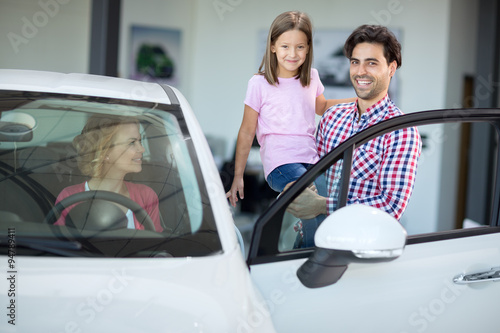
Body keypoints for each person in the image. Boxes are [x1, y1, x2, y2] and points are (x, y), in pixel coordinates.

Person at [286, 24, 422, 247]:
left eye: (372, 63)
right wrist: (295, 186)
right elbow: (312, 173)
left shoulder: (401, 130)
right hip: (307, 240)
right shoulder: (332, 117)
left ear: (391, 68)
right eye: (355, 62)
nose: (360, 72)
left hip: (356, 249)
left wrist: (322, 205)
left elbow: (390, 207)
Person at [226, 11, 355, 208]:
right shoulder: (258, 83)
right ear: (273, 46)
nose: (293, 54)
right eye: (285, 46)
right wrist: (238, 176)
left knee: (328, 203)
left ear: (308, 48)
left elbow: (321, 107)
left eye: (300, 47)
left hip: (311, 160)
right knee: (310, 196)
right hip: (280, 164)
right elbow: (246, 131)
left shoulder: (312, 77)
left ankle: (301, 237)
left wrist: (358, 101)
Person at [54, 114, 163, 232]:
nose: (142, 149)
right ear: (104, 152)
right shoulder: (69, 197)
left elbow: (155, 245)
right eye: (132, 142)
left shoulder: (146, 196)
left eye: (140, 141)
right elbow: (59, 244)